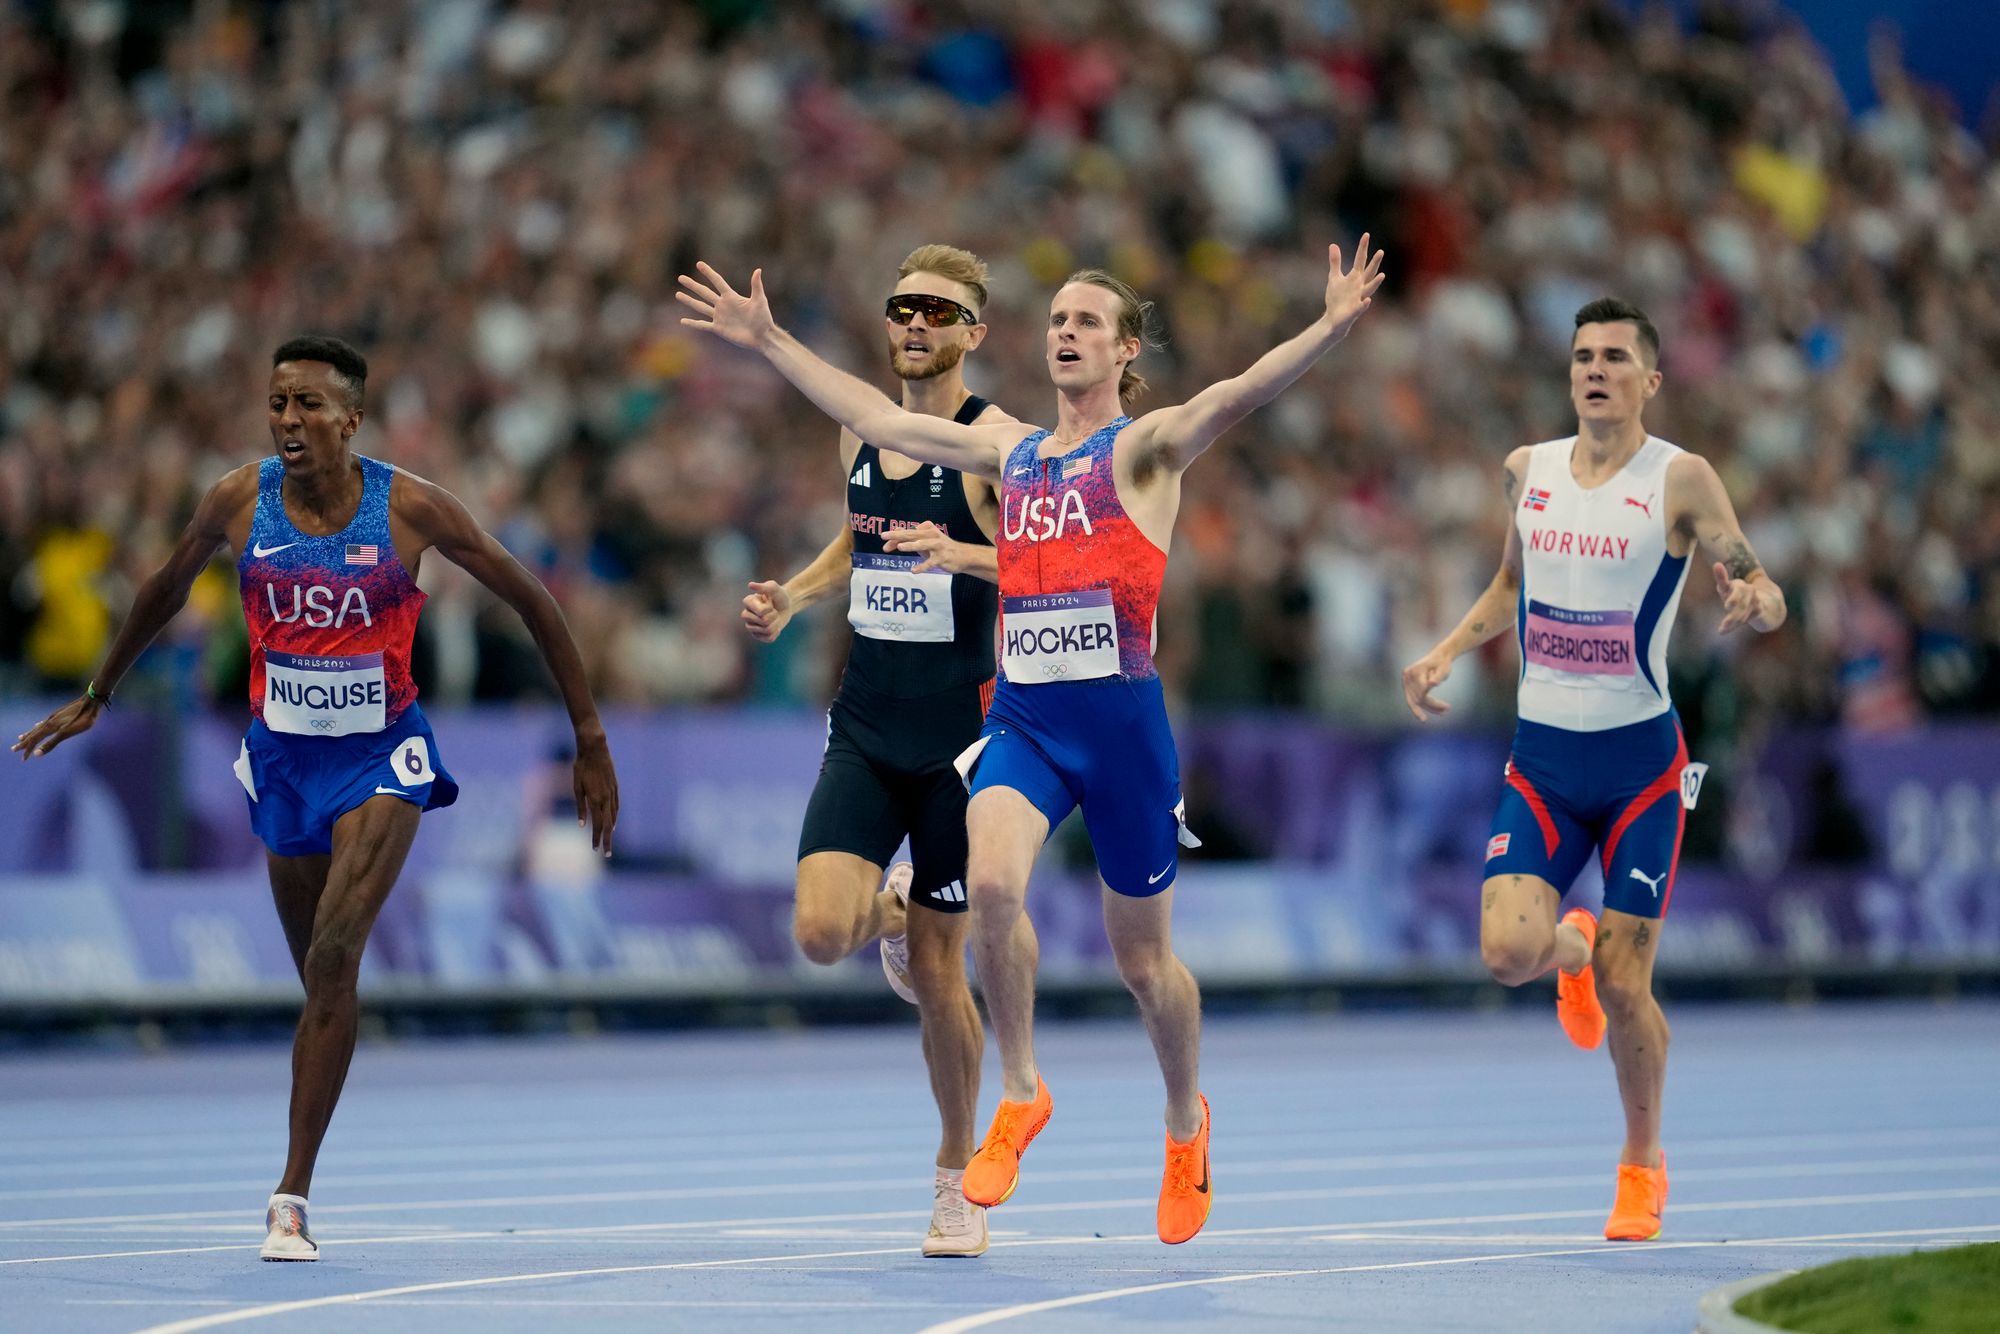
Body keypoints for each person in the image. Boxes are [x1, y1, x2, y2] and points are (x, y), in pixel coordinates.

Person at [679, 239, 1385, 1245]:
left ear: (1122, 349)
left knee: (1146, 964)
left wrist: (1328, 326)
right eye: (1055, 319)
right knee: (996, 887)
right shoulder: (1012, 453)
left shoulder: (1142, 450)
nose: (1064, 332)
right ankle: (1020, 1087)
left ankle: (1184, 1118)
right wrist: (768, 338)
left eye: (1086, 321)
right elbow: (874, 418)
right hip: (1024, 718)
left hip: (1122, 728)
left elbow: (1237, 395)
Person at [12, 336, 618, 1262]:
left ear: (352, 419)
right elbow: (165, 589)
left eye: (308, 405)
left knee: (335, 957)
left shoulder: (410, 507)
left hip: (382, 755)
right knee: (320, 982)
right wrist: (97, 695)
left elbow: (534, 599)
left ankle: (289, 1194)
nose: (289, 421)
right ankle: (327, 1071)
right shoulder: (237, 499)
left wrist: (589, 736)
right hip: (284, 760)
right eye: (278, 403)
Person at [1400, 298, 1786, 1242]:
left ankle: (1642, 1165)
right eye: (1582, 357)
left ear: (1650, 380)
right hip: (1542, 758)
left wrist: (1757, 600)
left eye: (1615, 357)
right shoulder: (1525, 471)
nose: (1595, 370)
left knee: (1627, 983)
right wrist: (1446, 650)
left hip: (1642, 769)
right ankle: (1566, 948)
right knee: (1507, 956)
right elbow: (1507, 585)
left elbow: (1760, 581)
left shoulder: (1681, 479)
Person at [739, 244, 1014, 1257]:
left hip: (958, 743)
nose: (914, 323)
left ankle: (954, 1184)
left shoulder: (991, 448)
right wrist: (793, 596)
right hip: (863, 721)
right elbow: (857, 534)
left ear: (971, 333)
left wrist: (963, 552)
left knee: (942, 972)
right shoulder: (861, 428)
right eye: (903, 306)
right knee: (817, 933)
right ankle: (891, 908)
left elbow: (1045, 562)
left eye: (938, 312)